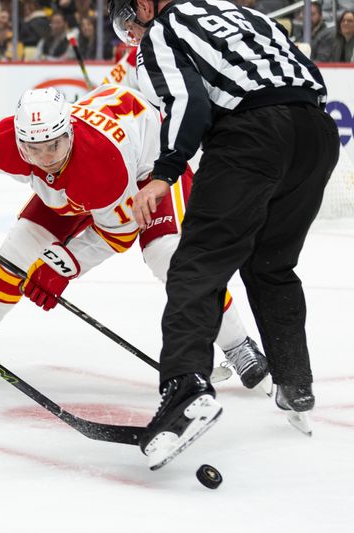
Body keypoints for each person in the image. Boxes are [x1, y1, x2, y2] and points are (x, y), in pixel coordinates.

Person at [0, 85, 269, 393]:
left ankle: (239, 345)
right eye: (34, 148)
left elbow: (117, 232)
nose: (45, 158)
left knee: (169, 258)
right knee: (19, 247)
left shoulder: (101, 167)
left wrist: (63, 265)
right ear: (19, 140)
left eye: (54, 146)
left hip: (147, 168)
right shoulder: (9, 142)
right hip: (81, 179)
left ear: (70, 133)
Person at [110, 0, 339, 469]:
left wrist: (163, 172)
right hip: (316, 131)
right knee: (272, 264)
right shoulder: (241, 13)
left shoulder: (163, 30)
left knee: (196, 265)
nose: (132, 35)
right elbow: (302, 70)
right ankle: (295, 381)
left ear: (145, 6)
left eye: (129, 21)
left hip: (252, 135)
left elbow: (187, 102)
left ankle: (184, 388)